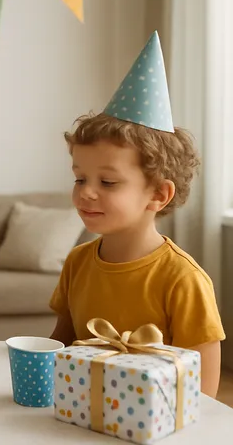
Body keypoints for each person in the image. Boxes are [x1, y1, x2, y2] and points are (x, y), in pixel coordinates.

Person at [49, 32, 225, 397]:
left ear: (158, 194)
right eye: (80, 178)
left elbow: (204, 394)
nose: (86, 191)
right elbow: (60, 350)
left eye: (108, 182)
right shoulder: (78, 263)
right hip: (82, 419)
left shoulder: (184, 280)